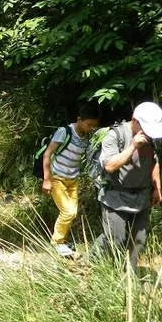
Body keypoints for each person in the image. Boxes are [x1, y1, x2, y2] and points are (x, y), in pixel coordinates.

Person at [92, 102, 162, 269]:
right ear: (135, 120)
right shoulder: (115, 135)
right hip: (115, 198)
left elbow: (154, 161)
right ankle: (93, 263)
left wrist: (157, 188)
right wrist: (133, 146)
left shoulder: (150, 138)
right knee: (115, 239)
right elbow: (110, 166)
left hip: (141, 198)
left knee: (139, 240)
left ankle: (129, 275)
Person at [41, 103, 100, 257]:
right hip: (57, 178)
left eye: (94, 125)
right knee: (68, 212)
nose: (91, 128)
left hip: (73, 180)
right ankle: (56, 243)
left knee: (71, 213)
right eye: (89, 124)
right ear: (79, 120)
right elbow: (47, 154)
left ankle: (61, 242)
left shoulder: (87, 137)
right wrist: (47, 179)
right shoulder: (64, 132)